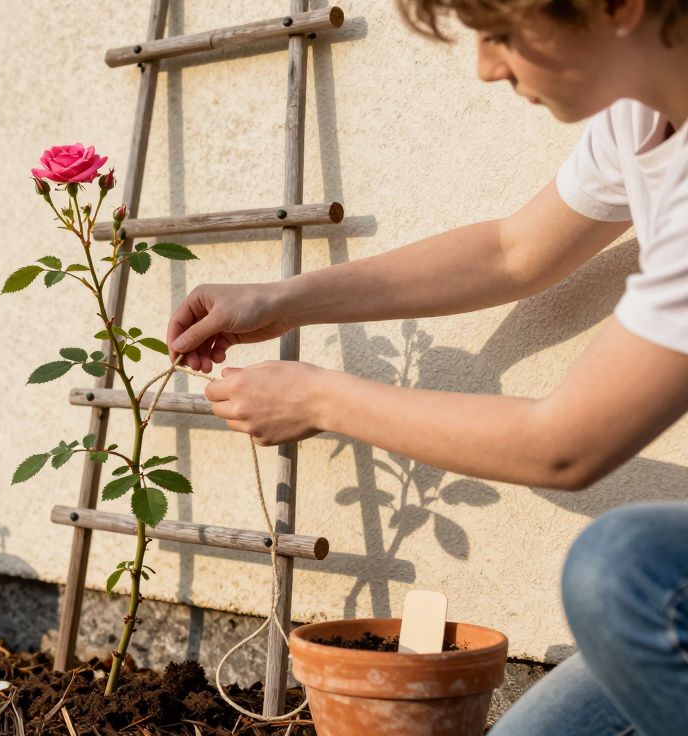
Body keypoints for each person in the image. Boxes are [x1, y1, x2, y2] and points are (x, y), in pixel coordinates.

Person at [165, 0, 688, 732]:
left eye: (503, 36)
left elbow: (565, 445)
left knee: (620, 570)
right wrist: (282, 300)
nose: (485, 67)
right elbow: (513, 251)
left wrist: (319, 398)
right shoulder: (641, 116)